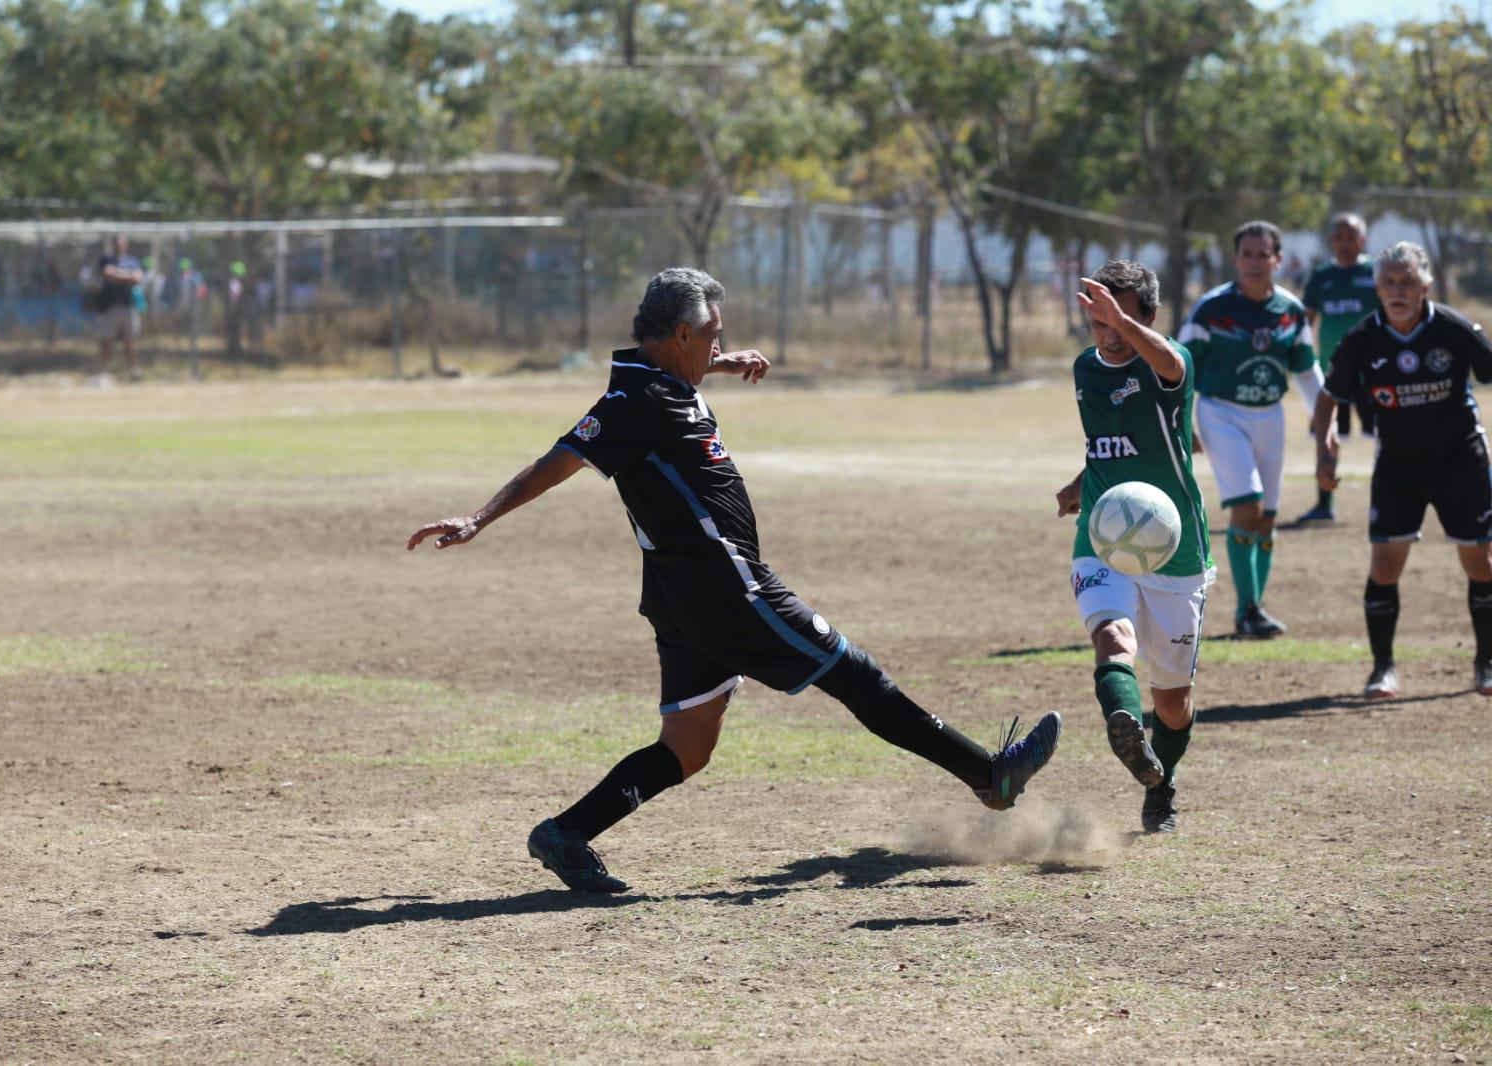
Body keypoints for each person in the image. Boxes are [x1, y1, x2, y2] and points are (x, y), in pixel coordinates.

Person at [406, 268, 1061, 893]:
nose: (719, 345)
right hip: (728, 588)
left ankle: (567, 834)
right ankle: (991, 775)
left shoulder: (663, 380)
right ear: (681, 335)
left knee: (688, 747)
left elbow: (674, 378)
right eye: (712, 336)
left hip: (682, 598)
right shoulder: (634, 401)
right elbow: (562, 459)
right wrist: (478, 518)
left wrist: (718, 363)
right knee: (855, 674)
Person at [1055, 261, 1213, 833]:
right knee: (1112, 637)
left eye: (1120, 318)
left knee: (1172, 701)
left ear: (1150, 315)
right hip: (1103, 532)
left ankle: (1160, 784)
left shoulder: (1170, 363)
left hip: (1176, 547)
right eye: (1099, 320)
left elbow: (1169, 364)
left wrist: (1122, 321)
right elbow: (1109, 443)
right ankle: (1123, 722)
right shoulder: (1085, 368)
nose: (1109, 332)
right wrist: (1081, 483)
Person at [1314, 242, 1492, 700]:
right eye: (1389, 282)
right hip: (1398, 465)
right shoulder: (1361, 338)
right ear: (1376, 288)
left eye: (1407, 281)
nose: (1398, 290)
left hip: (1461, 461)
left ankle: (1486, 663)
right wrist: (1324, 450)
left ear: (1425, 286)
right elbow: (1329, 396)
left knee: (1480, 561)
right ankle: (1383, 669)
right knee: (1385, 565)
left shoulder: (1454, 329)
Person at [1180, 220, 1323, 639]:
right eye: (1248, 254)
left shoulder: (1290, 310)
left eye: (1264, 255)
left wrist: (1326, 423)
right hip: (1221, 413)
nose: (1255, 263)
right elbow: (1179, 367)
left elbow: (1307, 371)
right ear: (1235, 258)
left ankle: (1254, 608)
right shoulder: (1211, 309)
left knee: (1266, 519)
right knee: (1248, 508)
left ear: (1278, 260)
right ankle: (1247, 610)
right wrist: (1181, 421)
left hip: (1270, 416)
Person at [1296, 213, 1380, 525]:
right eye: (1339, 237)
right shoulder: (1321, 277)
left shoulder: (1376, 273)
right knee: (1327, 436)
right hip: (1332, 372)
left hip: (1374, 372)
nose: (1345, 243)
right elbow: (1306, 322)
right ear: (1331, 240)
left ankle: (1390, 501)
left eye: (1352, 237)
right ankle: (1324, 503)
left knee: (1389, 436)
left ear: (1363, 240)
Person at [97, 234, 144, 381]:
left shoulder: (132, 261)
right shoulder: (106, 259)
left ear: (126, 245)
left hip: (128, 306)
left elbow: (137, 278)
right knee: (107, 339)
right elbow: (108, 275)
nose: (118, 246)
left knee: (130, 340)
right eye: (116, 243)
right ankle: (104, 370)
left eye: (121, 243)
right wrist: (127, 276)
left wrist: (118, 275)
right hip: (110, 306)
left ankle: (132, 370)